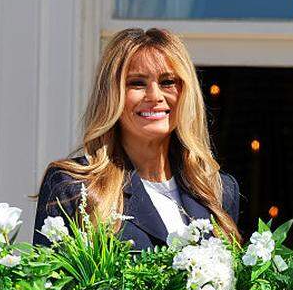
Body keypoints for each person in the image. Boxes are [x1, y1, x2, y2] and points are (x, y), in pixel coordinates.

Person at [33, 28, 240, 249]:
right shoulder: (73, 186)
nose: (155, 96)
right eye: (137, 83)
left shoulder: (218, 190)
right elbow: (49, 282)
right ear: (111, 95)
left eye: (168, 82)